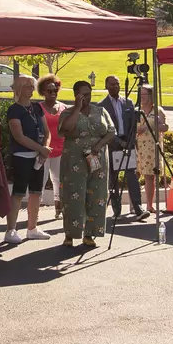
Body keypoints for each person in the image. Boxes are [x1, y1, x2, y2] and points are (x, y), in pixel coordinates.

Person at [58, 79, 114, 248]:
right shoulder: (67, 112)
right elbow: (66, 129)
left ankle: (90, 234)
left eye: (89, 95)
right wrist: (77, 108)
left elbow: (111, 131)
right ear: (76, 95)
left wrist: (99, 145)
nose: (87, 98)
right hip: (74, 158)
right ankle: (70, 233)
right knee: (73, 194)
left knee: (97, 195)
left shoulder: (101, 111)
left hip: (98, 158)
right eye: (83, 95)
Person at [2, 75, 51, 244]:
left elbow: (47, 131)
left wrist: (45, 149)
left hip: (38, 157)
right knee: (18, 193)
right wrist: (41, 149)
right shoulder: (14, 110)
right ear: (19, 89)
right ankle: (11, 230)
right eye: (28, 86)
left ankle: (32, 228)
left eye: (32, 85)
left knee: (36, 192)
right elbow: (19, 137)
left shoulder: (37, 107)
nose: (31, 89)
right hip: (22, 156)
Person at [99, 76, 143, 221]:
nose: (115, 87)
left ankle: (138, 207)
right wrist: (117, 141)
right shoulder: (101, 106)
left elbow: (133, 125)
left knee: (131, 176)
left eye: (117, 84)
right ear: (106, 86)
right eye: (112, 84)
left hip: (128, 142)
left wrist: (130, 141)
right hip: (112, 144)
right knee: (113, 179)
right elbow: (103, 129)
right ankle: (116, 209)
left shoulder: (128, 102)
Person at [134, 85, 168, 216]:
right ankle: (136, 205)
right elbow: (131, 127)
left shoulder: (158, 110)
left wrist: (155, 125)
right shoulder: (137, 110)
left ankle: (149, 205)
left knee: (150, 176)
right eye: (140, 95)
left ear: (151, 95)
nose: (142, 97)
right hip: (138, 145)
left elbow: (164, 127)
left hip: (152, 146)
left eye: (145, 95)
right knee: (135, 174)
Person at [37, 75, 66, 214]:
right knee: (41, 180)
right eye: (49, 91)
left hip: (61, 149)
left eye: (55, 90)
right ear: (43, 92)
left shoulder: (63, 107)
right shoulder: (38, 108)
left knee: (58, 180)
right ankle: (35, 213)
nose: (53, 93)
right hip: (43, 149)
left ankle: (58, 208)